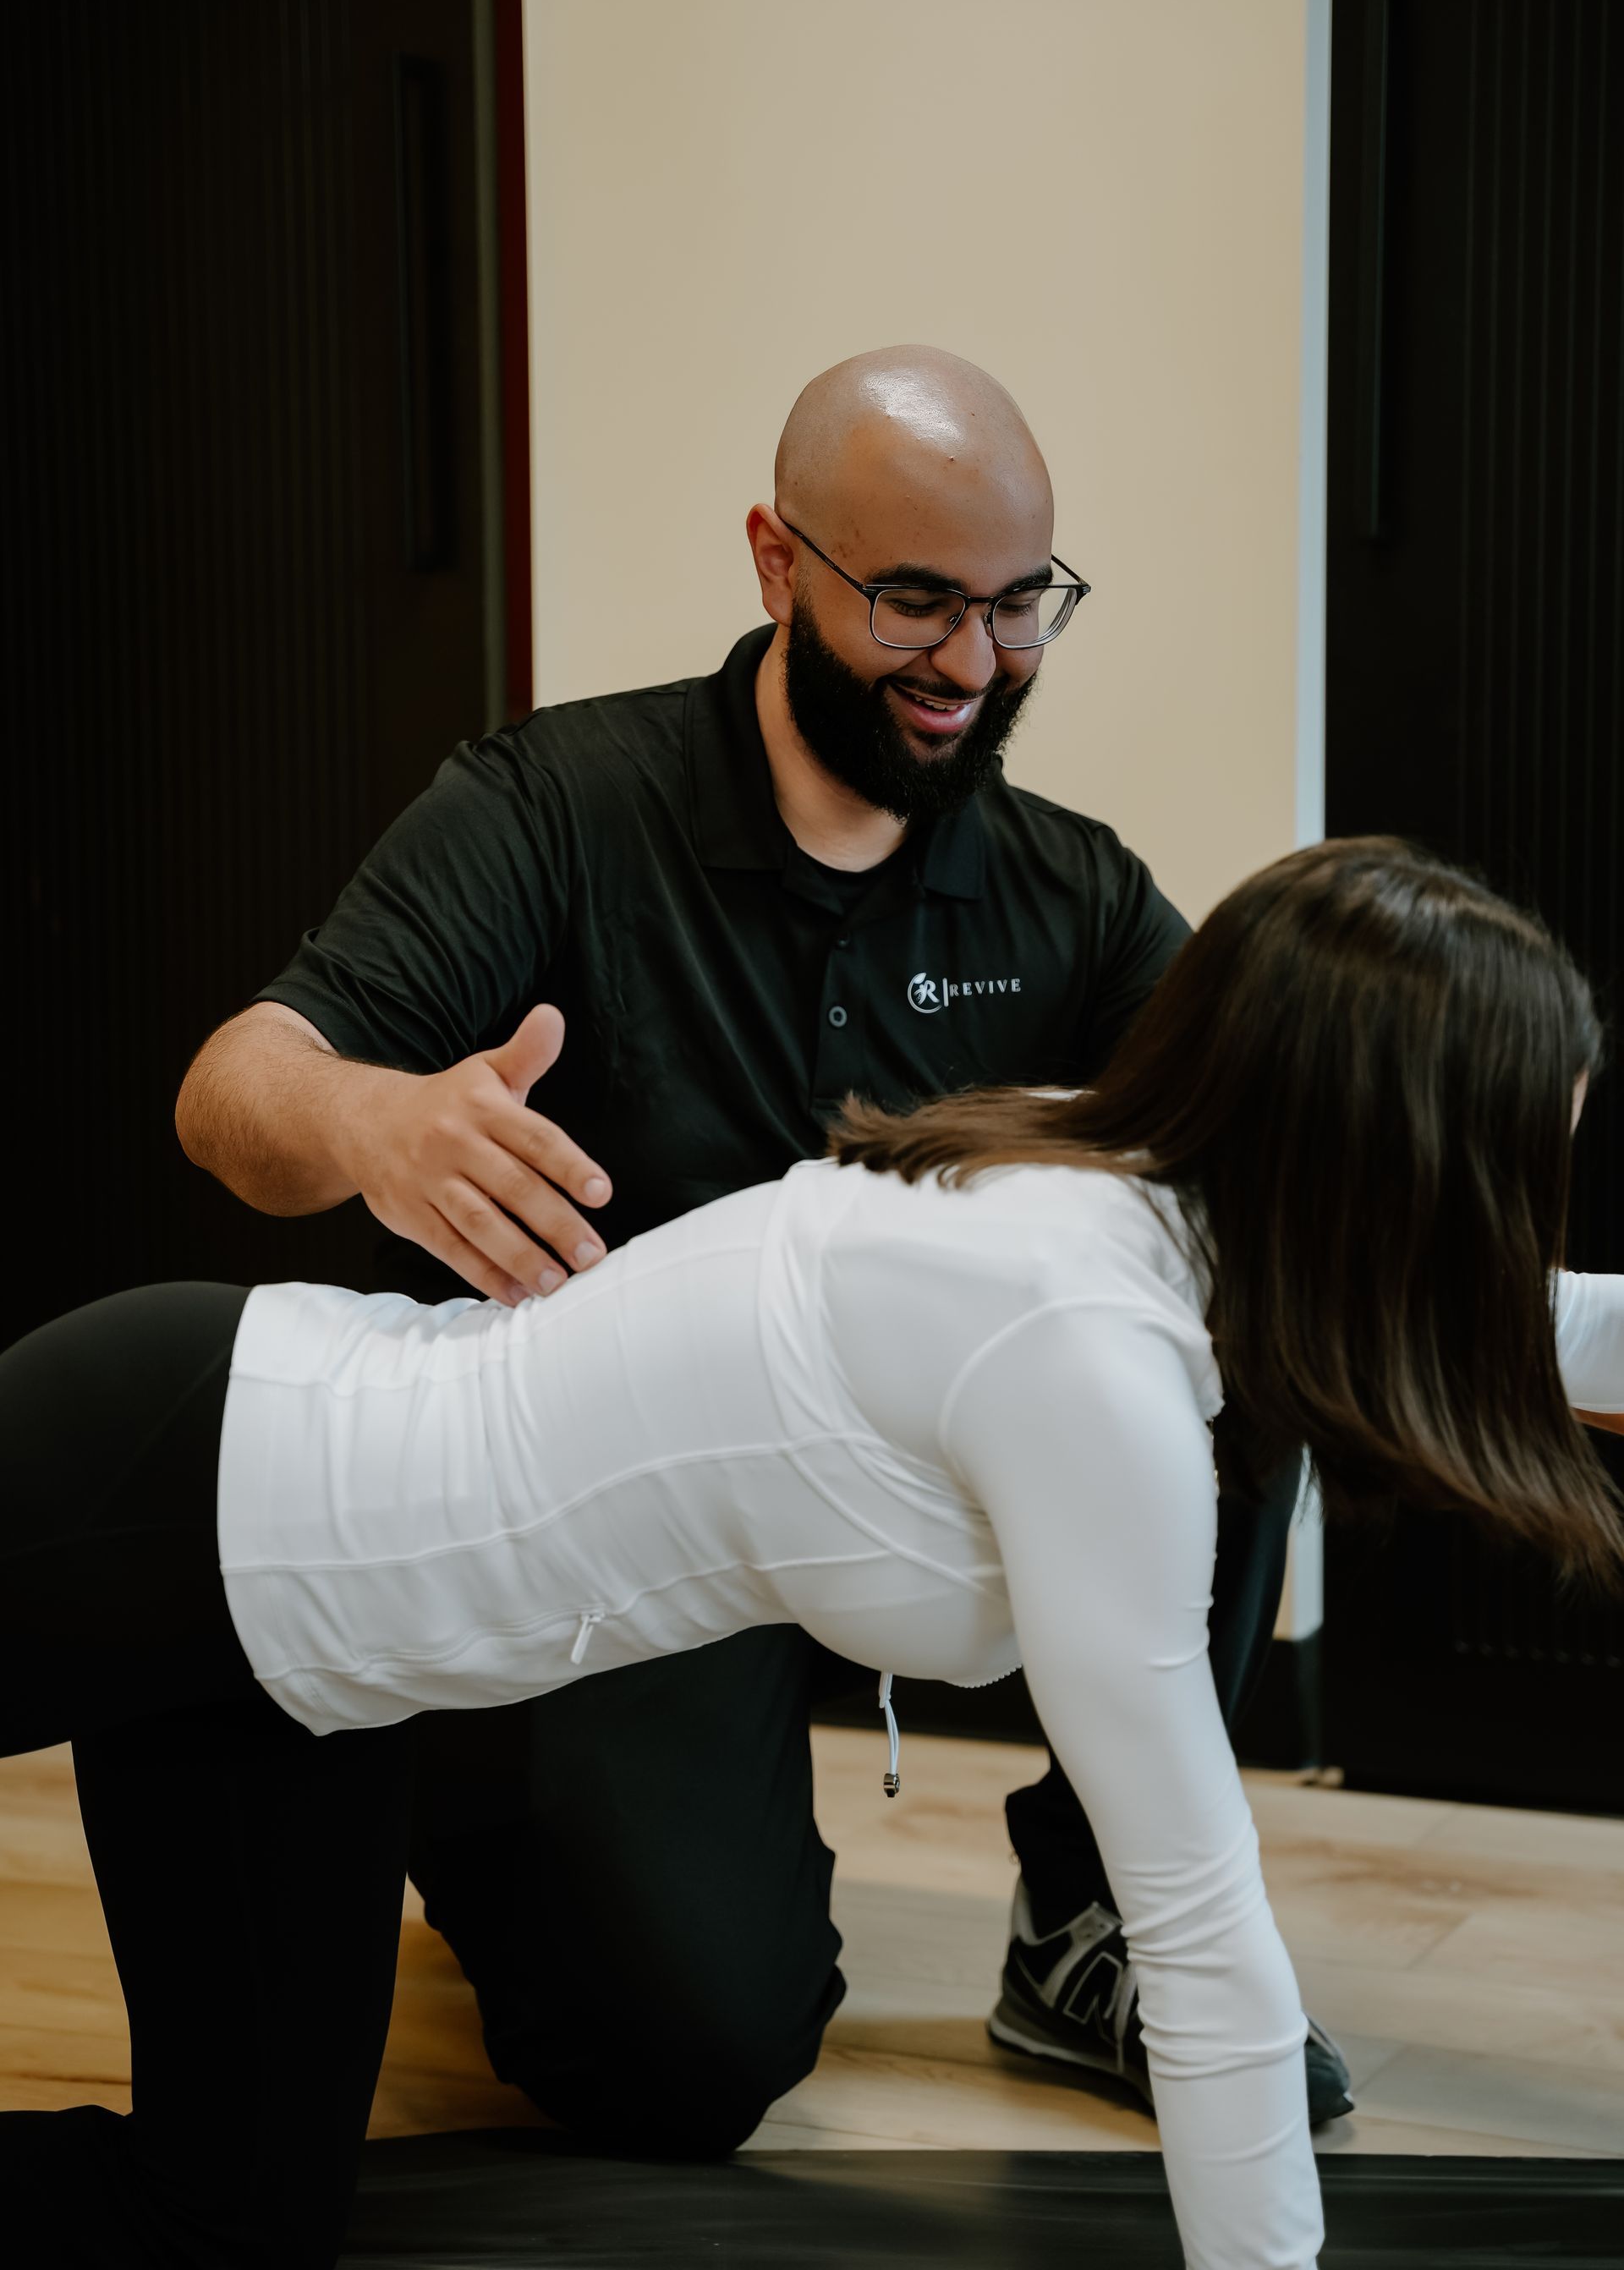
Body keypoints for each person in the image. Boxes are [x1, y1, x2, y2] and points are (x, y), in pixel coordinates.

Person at [8, 838, 1624, 2270]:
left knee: (221, 2222)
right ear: (1403, 1172)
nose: (1520, 1230)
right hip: (175, 1473)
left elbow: (1520, 1318)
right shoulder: (1087, 1351)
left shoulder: (1130, 1184)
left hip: (309, 1673)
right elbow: (1200, 1939)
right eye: (1513, 1180)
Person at [173, 343, 1348, 2145]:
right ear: (777, 562)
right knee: (679, 2061)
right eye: (916, 602)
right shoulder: (555, 810)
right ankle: (489, 1821)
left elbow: (1289, 1165)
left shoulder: (1073, 893)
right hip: (624, 1533)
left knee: (1256, 1288)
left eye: (1022, 602)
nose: (975, 661)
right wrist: (369, 1123)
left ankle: (1083, 1906)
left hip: (917, 1503)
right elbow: (235, 1086)